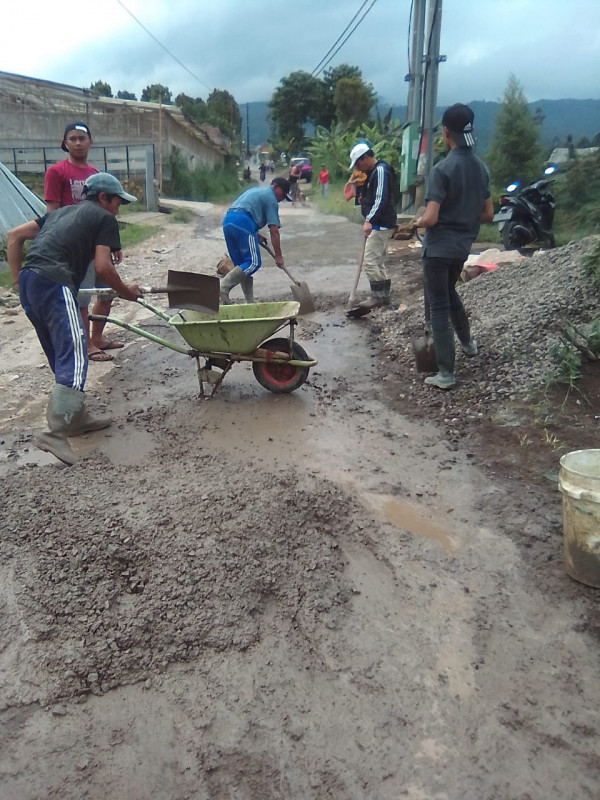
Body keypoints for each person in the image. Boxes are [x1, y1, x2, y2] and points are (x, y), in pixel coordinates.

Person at [6, 173, 142, 465]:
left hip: (31, 283)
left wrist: (18, 282)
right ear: (104, 198)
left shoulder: (60, 213)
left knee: (61, 355)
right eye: (117, 201)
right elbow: (104, 267)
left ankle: (76, 417)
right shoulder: (104, 218)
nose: (118, 208)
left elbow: (14, 236)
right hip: (55, 283)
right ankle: (55, 433)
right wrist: (125, 292)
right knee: (77, 353)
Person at [413, 103, 494, 390]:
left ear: (446, 133)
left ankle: (446, 373)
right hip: (461, 248)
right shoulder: (481, 168)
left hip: (437, 251)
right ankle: (469, 344)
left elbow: (432, 217)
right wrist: (462, 216)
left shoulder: (443, 169)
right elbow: (487, 214)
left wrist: (417, 222)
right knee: (449, 292)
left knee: (438, 306)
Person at [44, 122, 122, 362]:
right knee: (83, 296)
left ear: (90, 141)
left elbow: (108, 210)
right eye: (72, 138)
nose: (78, 142)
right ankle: (86, 344)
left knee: (106, 291)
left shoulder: (96, 174)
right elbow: (52, 211)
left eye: (82, 138)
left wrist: (114, 243)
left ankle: (98, 337)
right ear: (65, 143)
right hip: (75, 244)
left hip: (97, 240)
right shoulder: (56, 172)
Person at [220, 177, 292, 303]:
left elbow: (247, 208)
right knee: (253, 262)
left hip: (228, 221)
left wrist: (255, 233)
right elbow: (274, 230)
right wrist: (278, 256)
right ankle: (223, 287)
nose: (282, 198)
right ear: (275, 187)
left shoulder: (256, 191)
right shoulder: (271, 198)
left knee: (242, 267)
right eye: (283, 193)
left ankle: (250, 303)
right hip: (243, 222)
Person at [348, 142, 398, 309]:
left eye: (358, 163)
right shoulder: (373, 173)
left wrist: (369, 220)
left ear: (366, 157)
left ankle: (377, 296)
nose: (358, 167)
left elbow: (380, 199)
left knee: (370, 261)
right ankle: (384, 296)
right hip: (380, 222)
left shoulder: (381, 170)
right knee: (378, 261)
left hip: (381, 223)